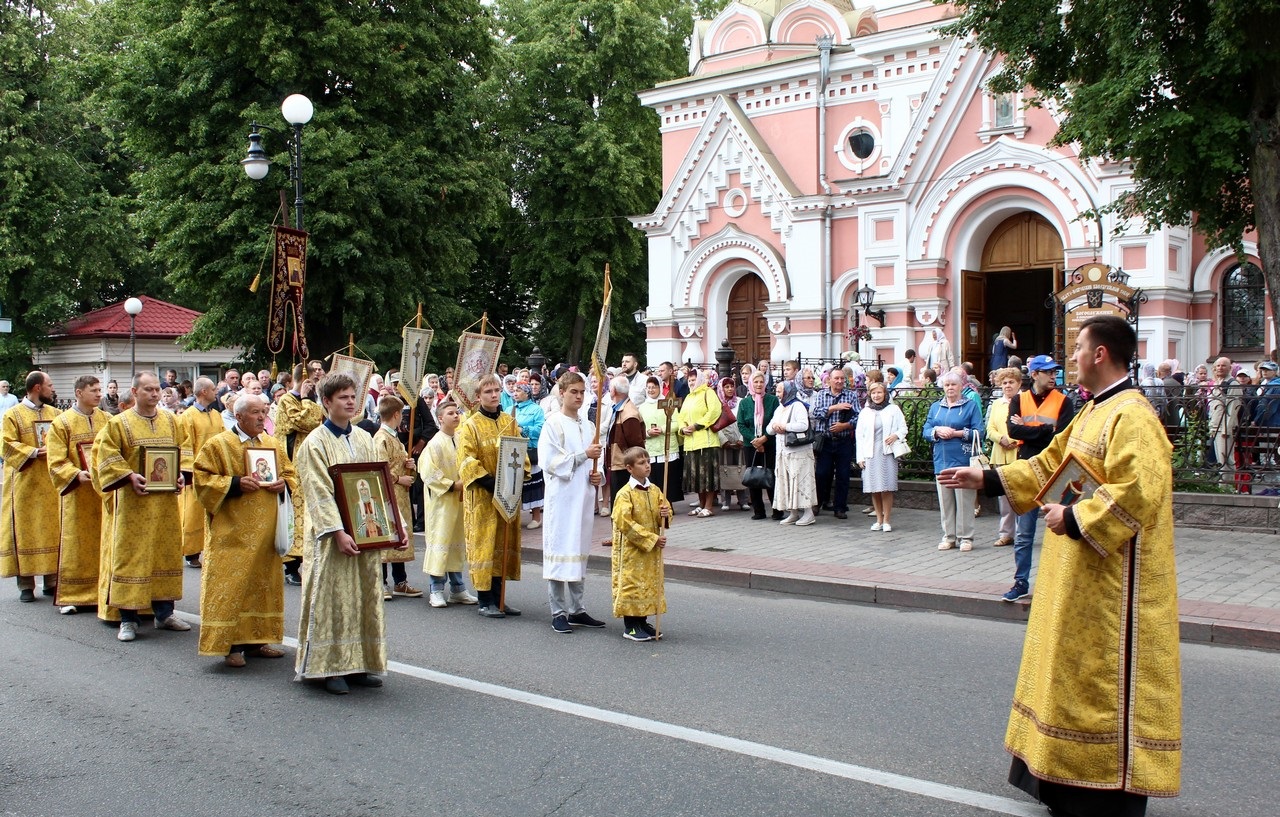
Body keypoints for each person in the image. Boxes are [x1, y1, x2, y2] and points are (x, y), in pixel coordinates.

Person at [939, 315, 1181, 816]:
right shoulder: (1094, 410)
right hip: (1076, 574)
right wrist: (985, 477)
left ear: (1100, 355)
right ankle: (1062, 780)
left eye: (1078, 348)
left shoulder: (1133, 415)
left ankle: (1106, 790)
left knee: (1099, 679)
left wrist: (1073, 516)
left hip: (1113, 586)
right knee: (1067, 673)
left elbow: (1139, 492)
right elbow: (1049, 463)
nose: (1072, 357)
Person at [294, 373, 406, 694]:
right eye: (342, 396)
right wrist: (338, 532)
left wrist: (394, 525)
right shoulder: (314, 443)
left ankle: (359, 663)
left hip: (367, 531)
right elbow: (318, 493)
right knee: (333, 599)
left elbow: (379, 484)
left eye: (353, 395)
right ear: (327, 402)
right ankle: (329, 668)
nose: (350, 401)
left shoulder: (363, 438)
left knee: (362, 596)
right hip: (333, 538)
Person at [193, 393, 296, 667]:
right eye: (255, 413)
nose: (262, 417)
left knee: (262, 585)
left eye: (264, 412)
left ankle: (258, 640)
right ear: (238, 416)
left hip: (266, 532)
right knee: (233, 586)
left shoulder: (273, 444)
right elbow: (202, 479)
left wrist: (282, 484)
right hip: (232, 532)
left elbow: (290, 473)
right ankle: (232, 645)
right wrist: (236, 483)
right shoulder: (219, 445)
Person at [95, 372, 192, 641]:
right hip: (133, 504)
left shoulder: (172, 421)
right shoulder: (119, 424)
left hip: (164, 504)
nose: (154, 394)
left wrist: (181, 473)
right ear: (134, 392)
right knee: (132, 555)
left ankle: (164, 613)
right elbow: (106, 455)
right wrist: (128, 476)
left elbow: (184, 449)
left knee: (165, 552)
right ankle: (128, 618)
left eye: (156, 390)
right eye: (147, 389)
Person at [1000, 355, 1077, 599]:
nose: (1054, 376)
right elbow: (1013, 430)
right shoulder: (1020, 400)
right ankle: (1021, 583)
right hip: (1028, 471)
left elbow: (1061, 436)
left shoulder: (1064, 401)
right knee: (1024, 532)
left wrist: (1031, 430)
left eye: (1055, 372)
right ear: (1034, 375)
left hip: (1056, 473)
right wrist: (1046, 430)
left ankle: (1063, 584)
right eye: (1048, 372)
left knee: (1062, 529)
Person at [538, 372, 608, 634]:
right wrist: (583, 456)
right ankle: (558, 611)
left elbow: (594, 463)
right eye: (573, 392)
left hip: (583, 496)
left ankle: (577, 609)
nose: (578, 396)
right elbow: (551, 462)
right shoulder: (552, 424)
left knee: (578, 552)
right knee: (560, 551)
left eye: (581, 392)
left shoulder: (589, 425)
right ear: (562, 392)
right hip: (562, 498)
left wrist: (597, 475)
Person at [457, 374, 527, 618]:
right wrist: (492, 483)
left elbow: (521, 454)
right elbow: (466, 460)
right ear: (479, 396)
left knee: (502, 543)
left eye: (497, 390)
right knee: (484, 545)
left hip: (507, 495)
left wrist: (515, 481)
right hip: (483, 497)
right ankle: (484, 600)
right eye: (488, 391)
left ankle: (500, 598)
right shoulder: (470, 425)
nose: (494, 395)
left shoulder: (510, 421)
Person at [45, 375, 110, 613]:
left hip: (104, 493)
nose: (99, 394)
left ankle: (102, 591)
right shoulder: (62, 423)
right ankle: (72, 595)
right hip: (78, 494)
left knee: (104, 540)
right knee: (76, 542)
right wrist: (75, 474)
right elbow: (55, 460)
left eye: (99, 389)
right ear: (79, 393)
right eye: (93, 390)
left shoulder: (107, 419)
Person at [0, 371, 62, 602]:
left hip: (51, 482)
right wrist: (35, 452)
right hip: (25, 484)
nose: (52, 389)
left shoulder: (55, 414)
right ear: (37, 387)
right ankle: (25, 583)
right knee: (25, 530)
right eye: (49, 385)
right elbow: (5, 444)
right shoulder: (13, 415)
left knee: (52, 528)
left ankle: (52, 579)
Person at [417, 399, 478, 608]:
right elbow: (426, 472)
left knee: (456, 543)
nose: (455, 416)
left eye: (457, 412)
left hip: (460, 501)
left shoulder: (460, 438)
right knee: (440, 544)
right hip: (442, 502)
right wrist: (452, 485)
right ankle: (435, 589)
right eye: (451, 413)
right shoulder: (434, 444)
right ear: (440, 418)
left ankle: (458, 588)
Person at [611, 446, 670, 642]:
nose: (647, 466)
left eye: (648, 461)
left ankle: (642, 620)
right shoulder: (624, 493)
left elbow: (665, 511)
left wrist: (665, 514)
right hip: (632, 549)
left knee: (648, 583)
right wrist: (651, 539)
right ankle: (631, 626)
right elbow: (624, 522)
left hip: (650, 551)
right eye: (641, 463)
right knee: (632, 584)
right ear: (629, 468)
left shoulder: (655, 490)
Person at [274, 362, 325, 586]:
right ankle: (290, 565)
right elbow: (307, 422)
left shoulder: (310, 400)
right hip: (292, 464)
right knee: (293, 513)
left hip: (308, 462)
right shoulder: (287, 400)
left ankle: (306, 559)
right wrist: (306, 399)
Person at [923, 371, 983, 551]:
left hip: (963, 459)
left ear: (961, 386)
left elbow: (979, 432)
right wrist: (937, 431)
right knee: (946, 501)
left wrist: (956, 433)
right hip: (941, 460)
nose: (950, 388)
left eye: (953, 384)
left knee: (964, 500)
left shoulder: (970, 406)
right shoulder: (936, 407)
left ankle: (966, 537)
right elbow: (926, 429)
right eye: (947, 385)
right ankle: (949, 536)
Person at [374, 395, 422, 600]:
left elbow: (399, 464)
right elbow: (378, 468)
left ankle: (400, 581)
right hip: (387, 494)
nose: (403, 418)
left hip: (400, 496)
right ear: (395, 414)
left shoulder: (394, 437)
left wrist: (410, 466)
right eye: (401, 414)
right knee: (386, 536)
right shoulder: (381, 438)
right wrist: (399, 478)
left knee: (399, 536)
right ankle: (381, 582)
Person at [176, 377, 224, 570]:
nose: (216, 392)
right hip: (196, 471)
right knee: (193, 514)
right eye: (213, 389)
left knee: (213, 511)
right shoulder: (187, 416)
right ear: (203, 392)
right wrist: (189, 471)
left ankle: (211, 548)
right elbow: (184, 445)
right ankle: (191, 552)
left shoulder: (216, 414)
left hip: (215, 470)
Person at [855, 381, 906, 532]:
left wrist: (895, 435)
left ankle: (887, 520)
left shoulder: (893, 409)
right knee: (874, 488)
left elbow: (903, 428)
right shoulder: (865, 412)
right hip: (870, 453)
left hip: (887, 452)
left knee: (886, 487)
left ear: (885, 394)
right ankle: (878, 519)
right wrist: (860, 457)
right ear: (869, 395)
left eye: (879, 392)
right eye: (873, 393)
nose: (876, 396)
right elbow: (860, 436)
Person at [810, 368, 859, 519]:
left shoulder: (851, 395)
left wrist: (845, 426)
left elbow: (859, 416)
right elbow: (815, 413)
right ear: (829, 380)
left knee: (843, 475)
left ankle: (840, 507)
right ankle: (817, 503)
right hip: (825, 440)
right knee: (821, 473)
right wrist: (834, 408)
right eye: (836, 378)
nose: (839, 381)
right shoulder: (821, 394)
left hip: (844, 440)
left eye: (842, 379)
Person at [769, 380, 817, 526]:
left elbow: (803, 425)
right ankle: (793, 513)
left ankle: (809, 513)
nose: (777, 394)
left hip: (799, 452)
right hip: (783, 452)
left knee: (802, 481)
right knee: (788, 481)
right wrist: (775, 428)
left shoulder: (798, 405)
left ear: (788, 391)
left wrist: (784, 426)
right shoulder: (780, 408)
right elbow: (769, 429)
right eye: (777, 391)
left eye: (780, 391)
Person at [676, 368, 722, 518]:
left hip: (706, 442)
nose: (691, 382)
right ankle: (701, 505)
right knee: (695, 477)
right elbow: (680, 417)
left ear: (700, 379)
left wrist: (697, 425)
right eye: (689, 380)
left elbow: (714, 412)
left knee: (707, 476)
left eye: (693, 380)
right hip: (691, 444)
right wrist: (683, 429)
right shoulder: (688, 397)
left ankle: (709, 506)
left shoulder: (708, 392)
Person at [736, 370, 780, 520]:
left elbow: (775, 422)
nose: (759, 384)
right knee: (753, 477)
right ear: (750, 384)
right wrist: (755, 440)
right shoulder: (744, 403)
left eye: (761, 381)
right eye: (755, 381)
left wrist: (764, 439)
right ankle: (759, 511)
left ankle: (777, 510)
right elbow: (741, 425)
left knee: (771, 477)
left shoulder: (773, 400)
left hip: (769, 444)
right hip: (751, 445)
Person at [985, 368, 1022, 548]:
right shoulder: (997, 404)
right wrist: (1001, 439)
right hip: (1000, 453)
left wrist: (1014, 440)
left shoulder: (1025, 402)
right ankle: (1006, 534)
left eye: (1011, 382)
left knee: (1021, 494)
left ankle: (1023, 532)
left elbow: (1030, 424)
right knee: (1004, 497)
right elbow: (990, 429)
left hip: (1019, 453)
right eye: (1005, 382)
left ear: (1019, 384)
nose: (1008, 385)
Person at [638, 376, 684, 510]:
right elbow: (639, 427)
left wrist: (662, 429)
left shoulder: (667, 403)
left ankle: (668, 505)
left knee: (667, 478)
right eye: (649, 387)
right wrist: (647, 432)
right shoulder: (642, 407)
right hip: (651, 447)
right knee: (654, 478)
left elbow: (676, 422)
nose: (651, 390)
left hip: (667, 446)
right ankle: (656, 506)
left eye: (654, 387)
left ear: (659, 387)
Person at [606, 375, 646, 500]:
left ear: (614, 391)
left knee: (622, 502)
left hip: (624, 466)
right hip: (619, 463)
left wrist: (633, 465)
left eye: (610, 388)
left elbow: (635, 444)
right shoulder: (620, 409)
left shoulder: (629, 413)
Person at [512, 384, 546, 530]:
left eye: (518, 390)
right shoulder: (510, 409)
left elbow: (540, 429)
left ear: (527, 393)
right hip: (514, 451)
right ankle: (515, 516)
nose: (515, 393)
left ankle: (537, 517)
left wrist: (523, 429)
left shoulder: (536, 409)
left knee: (533, 484)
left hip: (530, 450)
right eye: (514, 391)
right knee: (516, 485)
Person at [714, 376, 748, 511]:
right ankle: (725, 501)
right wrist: (724, 441)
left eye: (731, 386)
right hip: (725, 443)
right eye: (726, 387)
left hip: (739, 440)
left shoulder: (740, 402)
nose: (730, 389)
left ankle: (743, 500)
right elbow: (715, 424)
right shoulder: (717, 404)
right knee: (725, 470)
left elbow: (745, 421)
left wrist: (742, 438)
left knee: (742, 470)